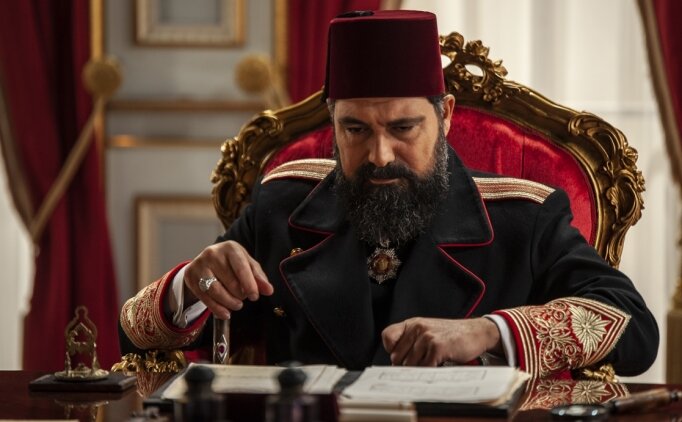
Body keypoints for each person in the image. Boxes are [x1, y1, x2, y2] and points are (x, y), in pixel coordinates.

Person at [119, 10, 658, 378]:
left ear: (445, 117)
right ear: (333, 123)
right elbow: (133, 334)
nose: (379, 155)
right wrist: (191, 285)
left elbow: (634, 327)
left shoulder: (524, 216)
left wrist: (488, 332)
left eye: (403, 128)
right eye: (355, 129)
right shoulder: (281, 203)